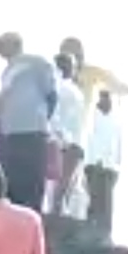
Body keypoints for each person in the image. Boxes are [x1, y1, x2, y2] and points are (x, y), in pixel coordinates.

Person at [0, 33, 58, 210]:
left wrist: (41, 120)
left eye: (2, 44)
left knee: (33, 179)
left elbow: (51, 94)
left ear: (15, 45)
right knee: (11, 181)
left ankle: (32, 220)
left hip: (32, 131)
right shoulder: (8, 69)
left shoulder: (37, 63)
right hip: (9, 132)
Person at [48, 52, 88, 216]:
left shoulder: (73, 89)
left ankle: (60, 217)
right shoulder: (59, 88)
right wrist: (63, 140)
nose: (72, 69)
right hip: (65, 144)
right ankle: (57, 220)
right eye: (69, 65)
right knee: (59, 189)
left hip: (73, 142)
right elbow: (55, 117)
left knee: (66, 190)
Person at [83, 90, 123, 235]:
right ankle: (91, 234)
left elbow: (119, 143)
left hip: (109, 167)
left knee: (107, 205)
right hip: (93, 164)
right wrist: (86, 165)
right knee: (93, 202)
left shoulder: (117, 118)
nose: (106, 101)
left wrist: (118, 166)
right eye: (103, 98)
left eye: (108, 98)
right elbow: (87, 139)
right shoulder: (91, 115)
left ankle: (105, 235)